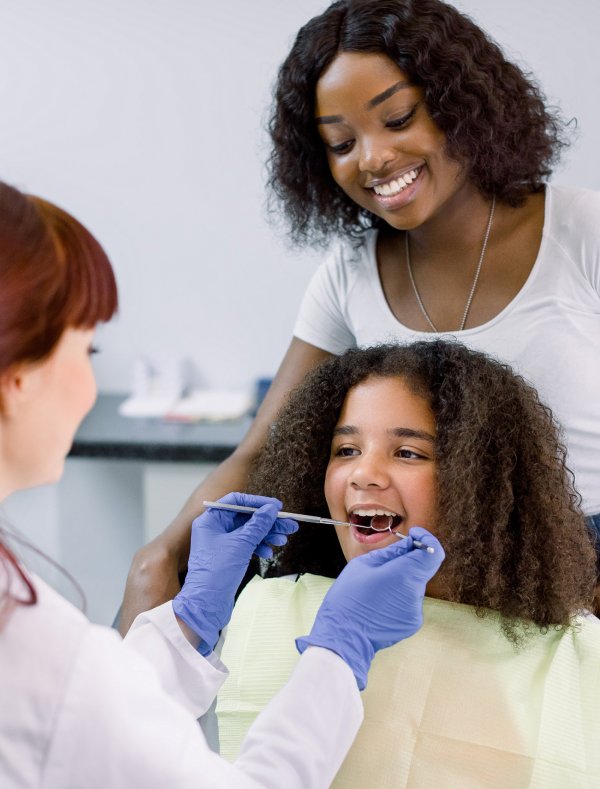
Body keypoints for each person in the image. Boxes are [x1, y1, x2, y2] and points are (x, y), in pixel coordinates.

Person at [119, 0, 600, 633]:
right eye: (342, 143)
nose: (372, 158)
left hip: (576, 576)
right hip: (411, 585)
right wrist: (161, 555)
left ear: (462, 105)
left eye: (397, 118)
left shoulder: (581, 232)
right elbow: (261, 449)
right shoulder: (348, 274)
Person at [0, 181, 445, 788]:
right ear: (17, 380)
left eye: (407, 451)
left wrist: (183, 626)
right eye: (88, 349)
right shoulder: (34, 647)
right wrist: (341, 653)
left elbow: (95, 740)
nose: (366, 472)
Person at [214, 340, 600, 787]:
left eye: (408, 453)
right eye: (346, 450)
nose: (363, 474)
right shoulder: (266, 612)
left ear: (483, 485)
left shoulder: (577, 659)